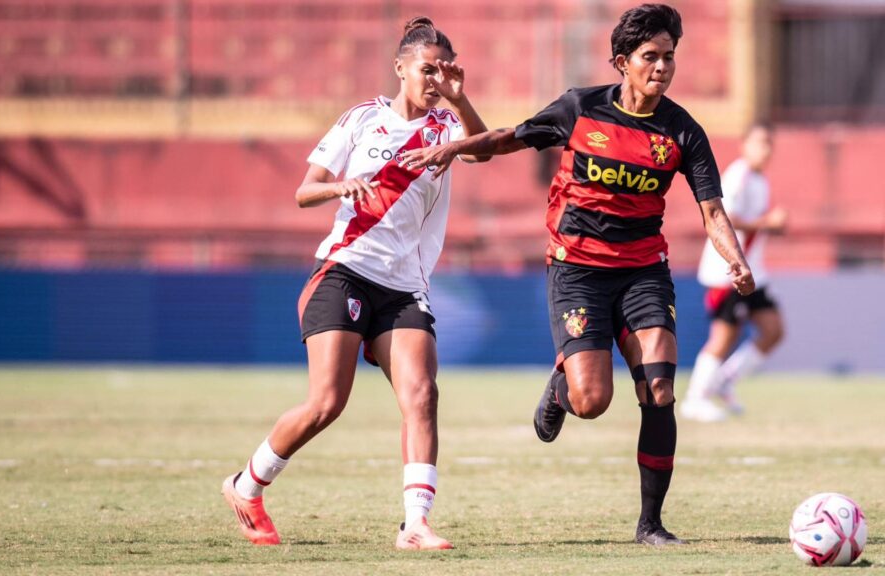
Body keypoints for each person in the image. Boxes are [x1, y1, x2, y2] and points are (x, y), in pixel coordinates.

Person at [399, 3, 754, 546]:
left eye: (669, 58)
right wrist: (454, 146)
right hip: (578, 271)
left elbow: (712, 212)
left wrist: (735, 259)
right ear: (622, 62)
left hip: (643, 272)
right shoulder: (579, 108)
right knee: (593, 402)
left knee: (659, 387)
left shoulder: (684, 132)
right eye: (650, 57)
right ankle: (563, 388)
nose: (662, 67)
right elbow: (507, 139)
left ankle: (650, 524)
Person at [221, 16, 488, 551]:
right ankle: (246, 485)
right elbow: (304, 191)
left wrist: (460, 100)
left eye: (443, 70)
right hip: (345, 272)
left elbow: (482, 148)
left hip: (405, 285)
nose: (433, 78)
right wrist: (343, 186)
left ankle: (415, 524)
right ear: (400, 67)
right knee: (327, 403)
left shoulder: (444, 127)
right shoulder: (361, 119)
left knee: (422, 394)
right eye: (425, 68)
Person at [682, 123, 786, 422]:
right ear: (744, 145)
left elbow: (752, 224)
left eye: (768, 143)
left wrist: (770, 225)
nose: (764, 149)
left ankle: (725, 381)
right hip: (725, 270)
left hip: (753, 272)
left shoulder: (759, 180)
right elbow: (723, 217)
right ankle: (695, 399)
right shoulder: (737, 175)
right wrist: (769, 223)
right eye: (758, 142)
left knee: (773, 330)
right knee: (724, 337)